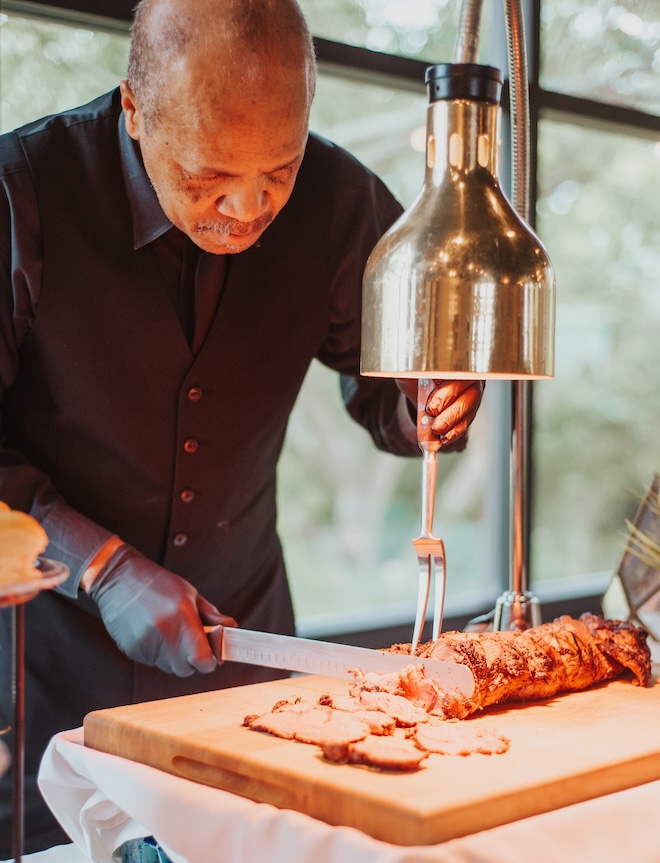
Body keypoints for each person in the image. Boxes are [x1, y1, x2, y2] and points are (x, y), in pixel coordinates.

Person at [0, 0, 484, 853]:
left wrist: (423, 404)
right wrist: (103, 568)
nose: (247, 206)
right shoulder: (22, 191)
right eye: (206, 172)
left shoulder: (339, 203)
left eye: (281, 168)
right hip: (39, 656)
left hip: (244, 648)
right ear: (134, 108)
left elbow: (388, 383)